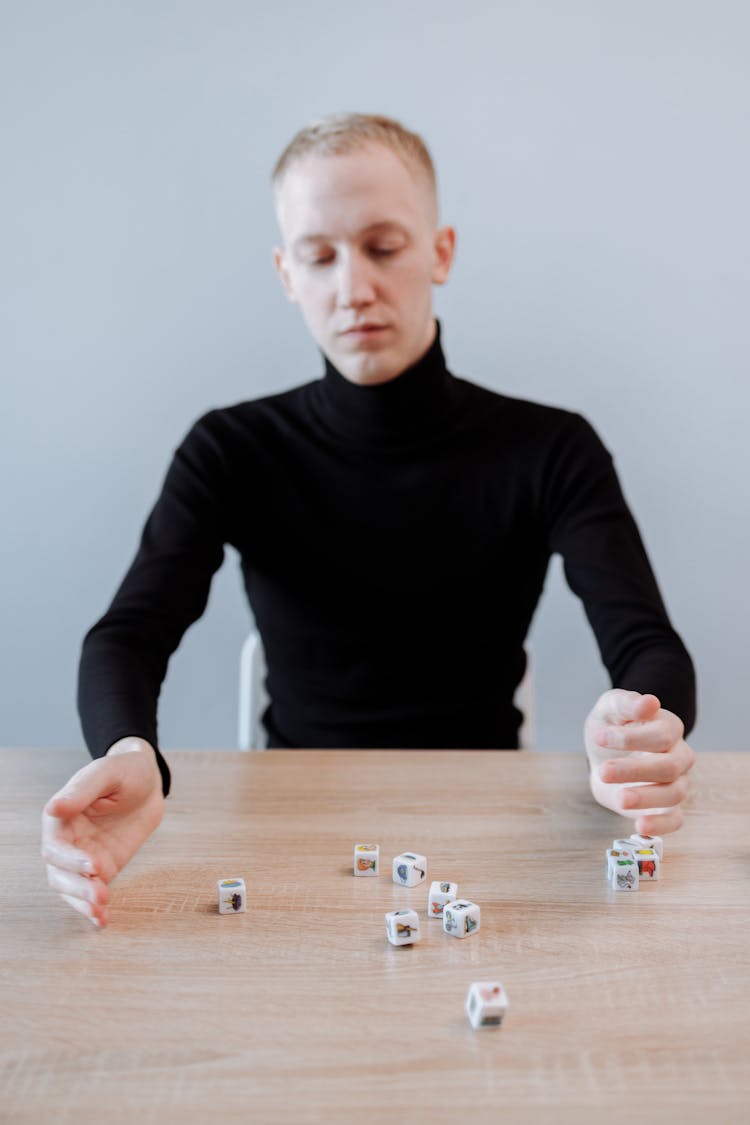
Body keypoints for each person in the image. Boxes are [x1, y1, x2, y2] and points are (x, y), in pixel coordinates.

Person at [41, 113, 696, 928]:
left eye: (383, 247)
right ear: (287, 273)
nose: (353, 288)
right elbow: (127, 635)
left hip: (491, 829)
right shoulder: (230, 448)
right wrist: (130, 749)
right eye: (319, 256)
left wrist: (641, 721)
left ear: (440, 252)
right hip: (288, 827)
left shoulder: (552, 448)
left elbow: (647, 643)